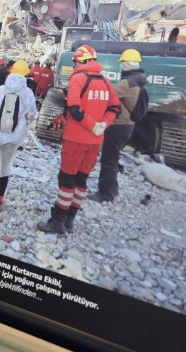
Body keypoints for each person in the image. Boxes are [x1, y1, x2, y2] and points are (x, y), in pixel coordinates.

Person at [37, 45, 120, 235]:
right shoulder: (106, 82)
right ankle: (70, 220)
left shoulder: (78, 80)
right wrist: (102, 125)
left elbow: (74, 108)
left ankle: (57, 221)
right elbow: (115, 109)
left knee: (66, 179)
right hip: (95, 141)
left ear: (79, 62)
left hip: (76, 139)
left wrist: (91, 125)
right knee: (82, 180)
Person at [0, 61, 37, 212]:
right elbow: (31, 115)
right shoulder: (28, 93)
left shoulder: (0, 90)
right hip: (15, 136)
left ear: (11, 72)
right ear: (25, 74)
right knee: (5, 169)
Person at [90, 49, 146, 202]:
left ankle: (105, 194)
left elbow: (107, 96)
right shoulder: (138, 79)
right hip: (127, 126)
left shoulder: (126, 83)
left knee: (108, 160)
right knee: (112, 159)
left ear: (126, 64)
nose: (120, 66)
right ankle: (113, 191)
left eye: (122, 63)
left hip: (118, 126)